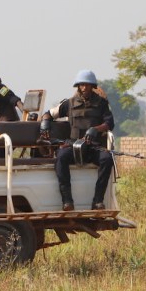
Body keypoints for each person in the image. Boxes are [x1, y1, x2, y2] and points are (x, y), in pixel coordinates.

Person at [39, 70, 115, 211]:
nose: (84, 88)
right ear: (78, 86)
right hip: (74, 147)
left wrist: (95, 129)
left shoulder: (102, 104)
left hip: (93, 148)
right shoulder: (69, 103)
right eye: (81, 85)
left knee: (107, 159)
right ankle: (67, 200)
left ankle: (98, 201)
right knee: (61, 158)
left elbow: (110, 124)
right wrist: (45, 124)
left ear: (92, 86)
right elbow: (48, 114)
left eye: (87, 85)